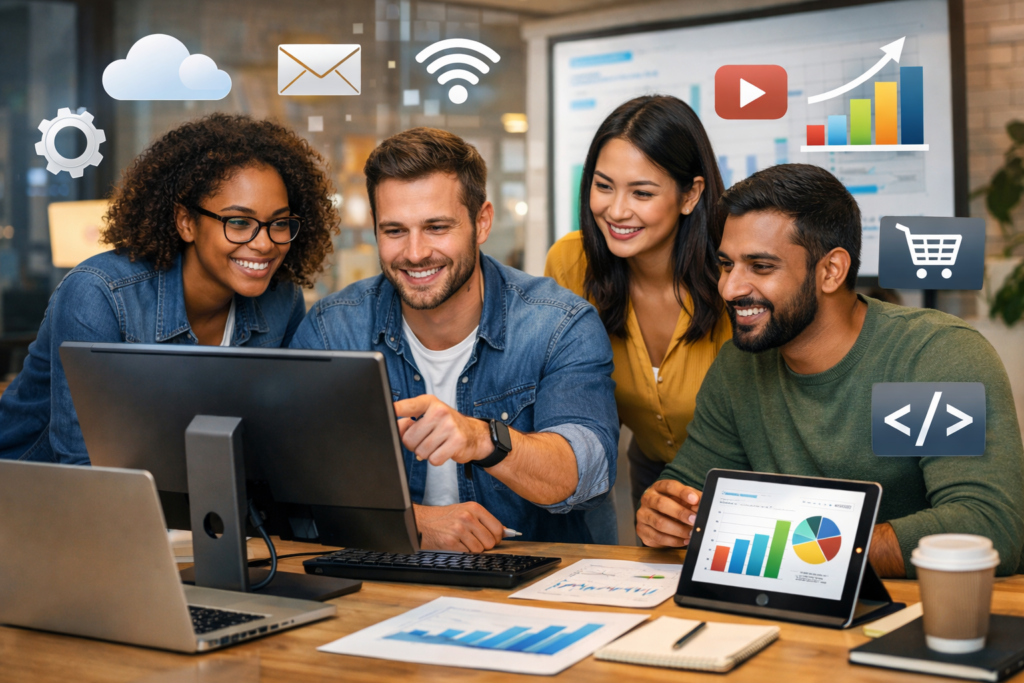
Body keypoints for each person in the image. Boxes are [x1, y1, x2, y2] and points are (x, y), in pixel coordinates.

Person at [636, 163, 1024, 578]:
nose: (730, 288)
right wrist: (663, 514)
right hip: (786, 610)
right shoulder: (739, 366)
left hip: (920, 613)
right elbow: (689, 493)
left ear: (831, 271)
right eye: (727, 264)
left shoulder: (928, 358)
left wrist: (814, 556)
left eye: (761, 267)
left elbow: (986, 527)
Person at [291, 127, 619, 552]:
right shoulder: (332, 329)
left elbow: (585, 470)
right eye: (394, 231)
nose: (414, 252)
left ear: (482, 222)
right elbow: (293, 480)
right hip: (385, 576)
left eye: (436, 227)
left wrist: (483, 438)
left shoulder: (559, 324)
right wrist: (417, 523)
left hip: (535, 582)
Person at [0, 114, 338, 465]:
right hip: (30, 499)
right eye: (239, 222)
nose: (265, 244)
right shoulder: (99, 295)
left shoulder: (281, 301)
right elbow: (84, 468)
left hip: (177, 498)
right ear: (186, 222)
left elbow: (278, 439)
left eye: (279, 223)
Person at [545, 95, 731, 519]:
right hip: (654, 476)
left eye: (642, 192)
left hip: (747, 477)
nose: (616, 210)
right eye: (603, 185)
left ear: (691, 195)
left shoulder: (735, 273)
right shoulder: (571, 264)